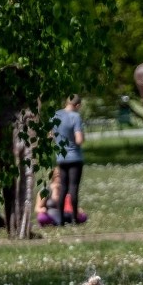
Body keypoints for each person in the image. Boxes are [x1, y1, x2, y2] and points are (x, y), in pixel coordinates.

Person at [52, 94, 85, 225]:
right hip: (75, 157)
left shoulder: (56, 115)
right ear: (77, 105)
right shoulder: (75, 117)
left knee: (63, 188)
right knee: (73, 188)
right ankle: (74, 218)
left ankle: (60, 220)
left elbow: (51, 135)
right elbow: (79, 139)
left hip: (61, 157)